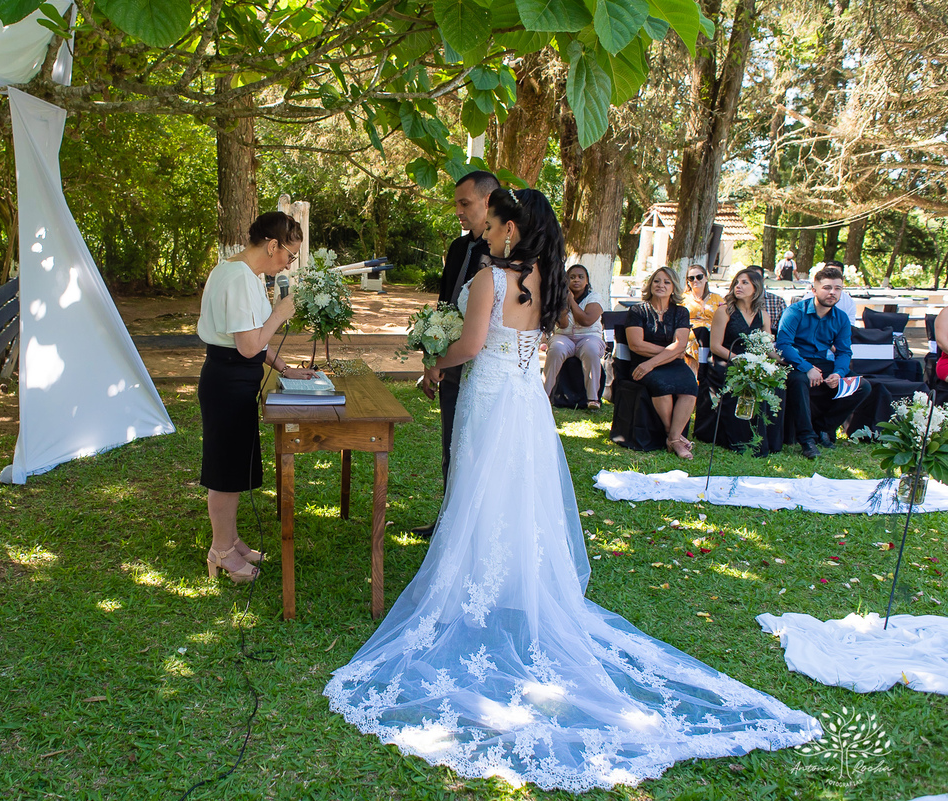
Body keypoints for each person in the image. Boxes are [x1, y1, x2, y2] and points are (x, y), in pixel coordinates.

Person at [324, 187, 819, 793]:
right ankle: (514, 587)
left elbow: (475, 345)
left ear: (509, 226)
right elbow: (542, 337)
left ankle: (475, 590)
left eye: (492, 222)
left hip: (488, 396)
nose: (482, 230)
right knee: (515, 494)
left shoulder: (492, 279)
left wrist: (436, 356)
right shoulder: (547, 281)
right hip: (526, 403)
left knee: (480, 490)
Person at [196, 211, 317, 582]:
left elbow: (252, 338)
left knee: (234, 465)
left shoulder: (235, 271)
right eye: (289, 255)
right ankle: (220, 552)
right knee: (224, 471)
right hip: (228, 380)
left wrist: (285, 369)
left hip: (234, 378)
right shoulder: (239, 279)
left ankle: (231, 541)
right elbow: (249, 345)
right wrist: (281, 312)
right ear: (271, 245)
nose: (288, 263)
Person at [411, 170, 499, 538]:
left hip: (486, 361)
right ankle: (449, 521)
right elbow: (445, 303)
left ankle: (479, 528)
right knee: (452, 443)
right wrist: (432, 356)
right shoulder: (458, 247)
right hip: (448, 357)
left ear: (488, 202)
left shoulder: (501, 254)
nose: (459, 211)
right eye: (456, 204)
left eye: (465, 203)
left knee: (482, 446)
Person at [776, 265, 871, 459]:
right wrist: (807, 367)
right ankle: (807, 439)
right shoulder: (795, 312)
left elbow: (844, 351)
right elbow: (784, 345)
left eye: (837, 288)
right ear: (814, 290)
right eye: (827, 287)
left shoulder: (841, 318)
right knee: (799, 380)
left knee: (862, 386)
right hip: (795, 361)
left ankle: (824, 428)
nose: (832, 293)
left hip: (823, 363)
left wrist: (839, 373)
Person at [697, 269, 775, 453]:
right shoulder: (725, 311)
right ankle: (735, 437)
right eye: (737, 282)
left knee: (771, 381)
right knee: (738, 379)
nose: (738, 286)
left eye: (745, 282)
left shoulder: (763, 315)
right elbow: (715, 346)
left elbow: (768, 347)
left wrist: (780, 362)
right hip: (725, 360)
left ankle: (760, 437)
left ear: (756, 288)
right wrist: (739, 359)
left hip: (753, 362)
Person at [626, 267, 700, 459]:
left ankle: (673, 438)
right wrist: (670, 353)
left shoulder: (681, 312)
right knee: (662, 386)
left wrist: (658, 360)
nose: (661, 285)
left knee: (690, 387)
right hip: (642, 362)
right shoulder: (637, 310)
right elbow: (636, 345)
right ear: (650, 285)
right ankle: (675, 437)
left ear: (674, 287)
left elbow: (680, 344)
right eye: (657, 281)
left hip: (666, 364)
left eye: (667, 282)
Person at [543, 264, 604, 409]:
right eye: (572, 277)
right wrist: (564, 301)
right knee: (556, 348)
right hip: (563, 336)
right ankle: (544, 394)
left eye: (580, 277)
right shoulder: (559, 297)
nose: (576, 280)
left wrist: (572, 301)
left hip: (589, 337)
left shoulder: (594, 297)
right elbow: (563, 324)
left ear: (587, 281)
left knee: (591, 349)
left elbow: (586, 320)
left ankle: (593, 399)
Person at [681, 263, 723, 375]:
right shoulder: (682, 298)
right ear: (688, 281)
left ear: (705, 278)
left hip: (712, 334)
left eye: (699, 277)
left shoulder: (717, 298)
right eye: (691, 278)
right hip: (690, 335)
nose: (695, 280)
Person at [746, 264, 787, 335]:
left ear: (763, 280)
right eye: (749, 279)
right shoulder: (737, 301)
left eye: (756, 278)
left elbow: (785, 327)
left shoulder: (777, 301)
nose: (753, 282)